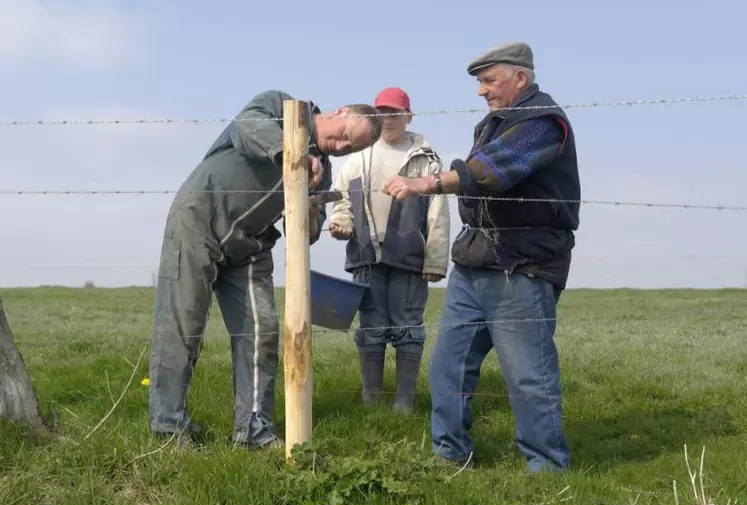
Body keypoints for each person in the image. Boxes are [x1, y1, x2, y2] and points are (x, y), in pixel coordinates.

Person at [383, 42, 581, 472]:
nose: (481, 91)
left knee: (528, 374)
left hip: (521, 266)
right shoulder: (499, 121)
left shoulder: (542, 121)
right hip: (476, 263)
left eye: (489, 81)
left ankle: (548, 470)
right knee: (447, 366)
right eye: (480, 83)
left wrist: (425, 184)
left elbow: (493, 171)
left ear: (520, 78)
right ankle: (449, 454)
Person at [148, 90, 382, 449]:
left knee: (262, 332)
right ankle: (168, 425)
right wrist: (292, 154)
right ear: (340, 110)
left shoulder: (324, 170)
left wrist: (308, 207)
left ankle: (253, 431)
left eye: (351, 148)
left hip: (251, 245)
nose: (342, 146)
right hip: (200, 218)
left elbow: (305, 235)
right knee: (183, 324)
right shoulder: (279, 105)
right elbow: (247, 127)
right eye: (346, 134)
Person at [328, 87, 450, 414]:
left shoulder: (426, 159)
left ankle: (404, 403)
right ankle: (372, 401)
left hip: (410, 259)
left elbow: (438, 212)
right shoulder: (357, 158)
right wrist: (341, 224)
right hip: (366, 256)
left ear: (408, 116)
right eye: (382, 112)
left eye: (395, 112)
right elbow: (341, 203)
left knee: (407, 326)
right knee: (371, 326)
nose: (388, 119)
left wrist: (436, 259)